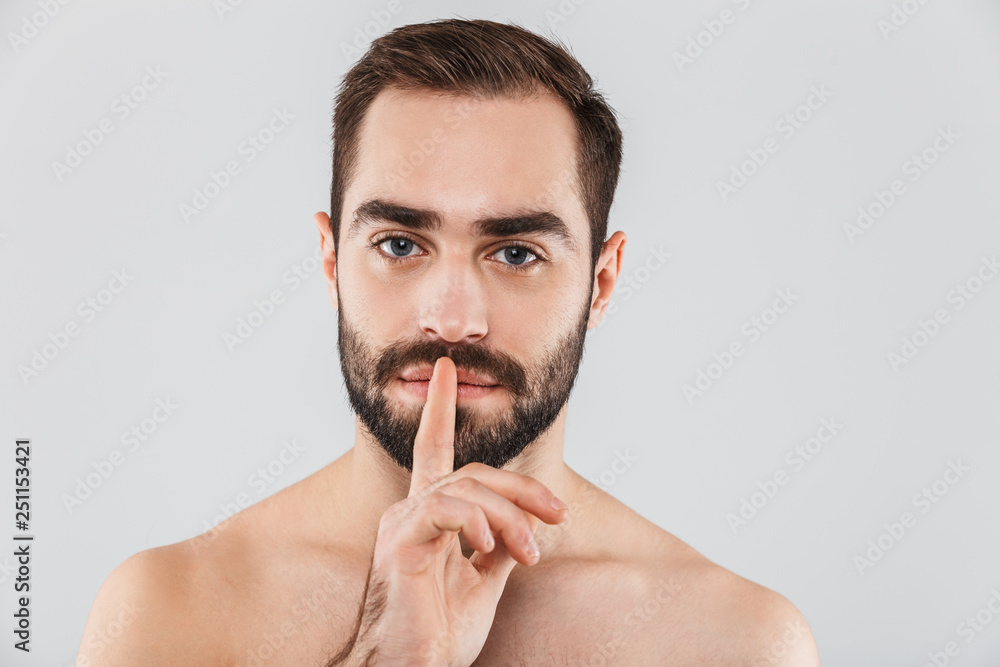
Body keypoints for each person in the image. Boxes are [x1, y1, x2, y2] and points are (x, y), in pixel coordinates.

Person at [77, 18, 821, 666]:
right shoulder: (168, 615)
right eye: (400, 244)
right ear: (333, 263)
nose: (454, 320)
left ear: (601, 283)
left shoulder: (735, 642)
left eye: (517, 252)